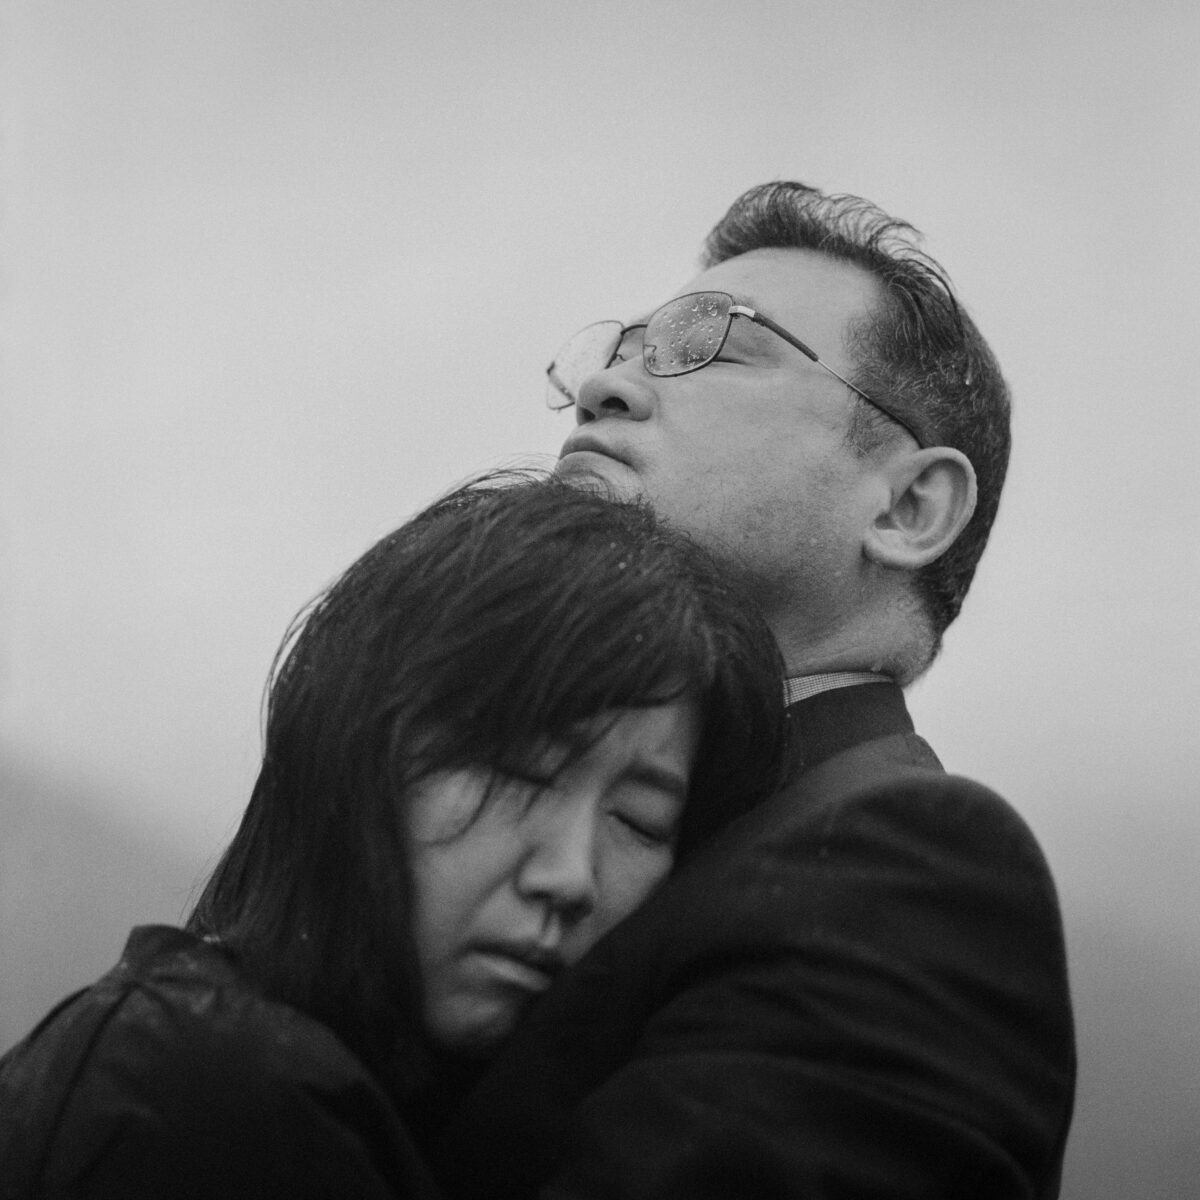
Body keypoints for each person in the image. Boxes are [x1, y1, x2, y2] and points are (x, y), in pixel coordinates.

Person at [432, 183, 1077, 1198]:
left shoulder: (906, 866)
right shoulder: (613, 828)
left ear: (910, 506)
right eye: (624, 350)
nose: (608, 388)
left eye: (713, 345)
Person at [0, 474, 789, 1200]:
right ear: (355, 749)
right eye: (520, 771)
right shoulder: (214, 1089)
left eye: (639, 821)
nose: (571, 874)